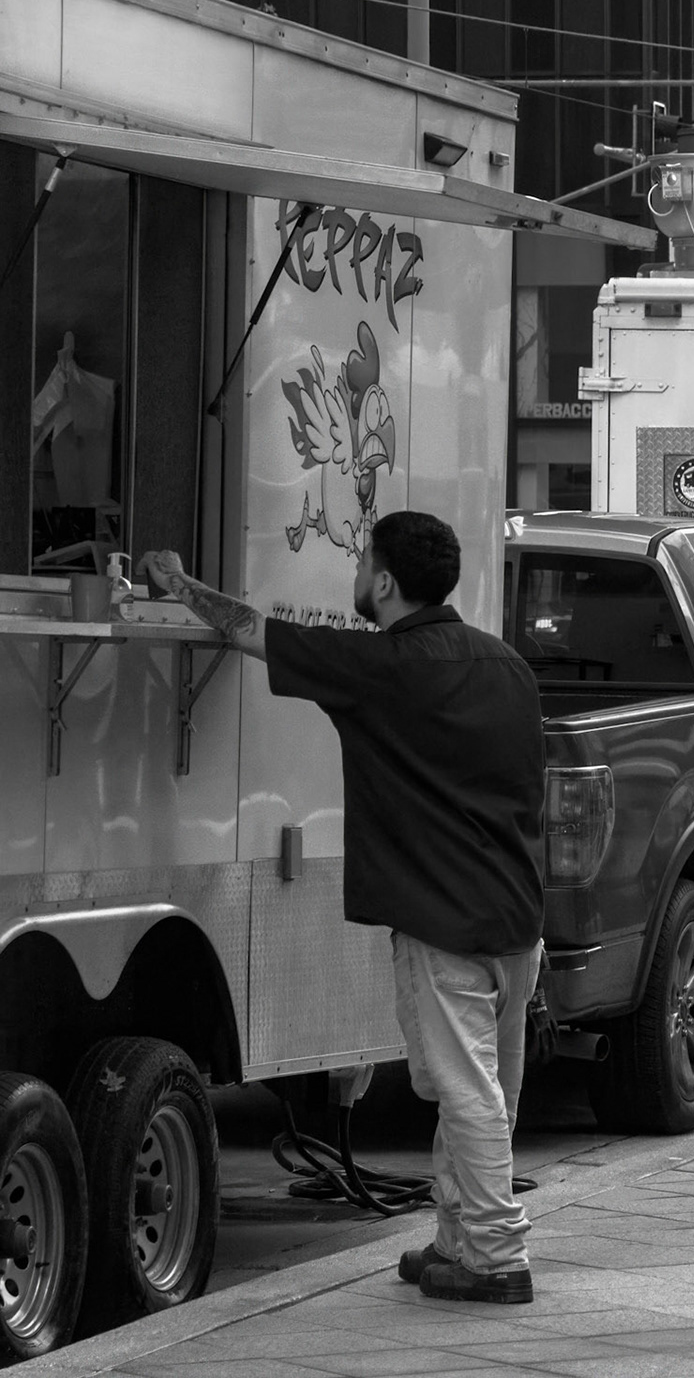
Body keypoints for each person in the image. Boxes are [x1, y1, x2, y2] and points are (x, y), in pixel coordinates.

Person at [141, 514, 546, 1303]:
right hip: (517, 918)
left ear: (385, 582)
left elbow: (255, 631)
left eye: (363, 562)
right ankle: (457, 1239)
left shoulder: (379, 666)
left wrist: (178, 585)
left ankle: (498, 1258)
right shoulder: (508, 667)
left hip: (443, 918)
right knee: (484, 1090)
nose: (356, 573)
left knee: (465, 1093)